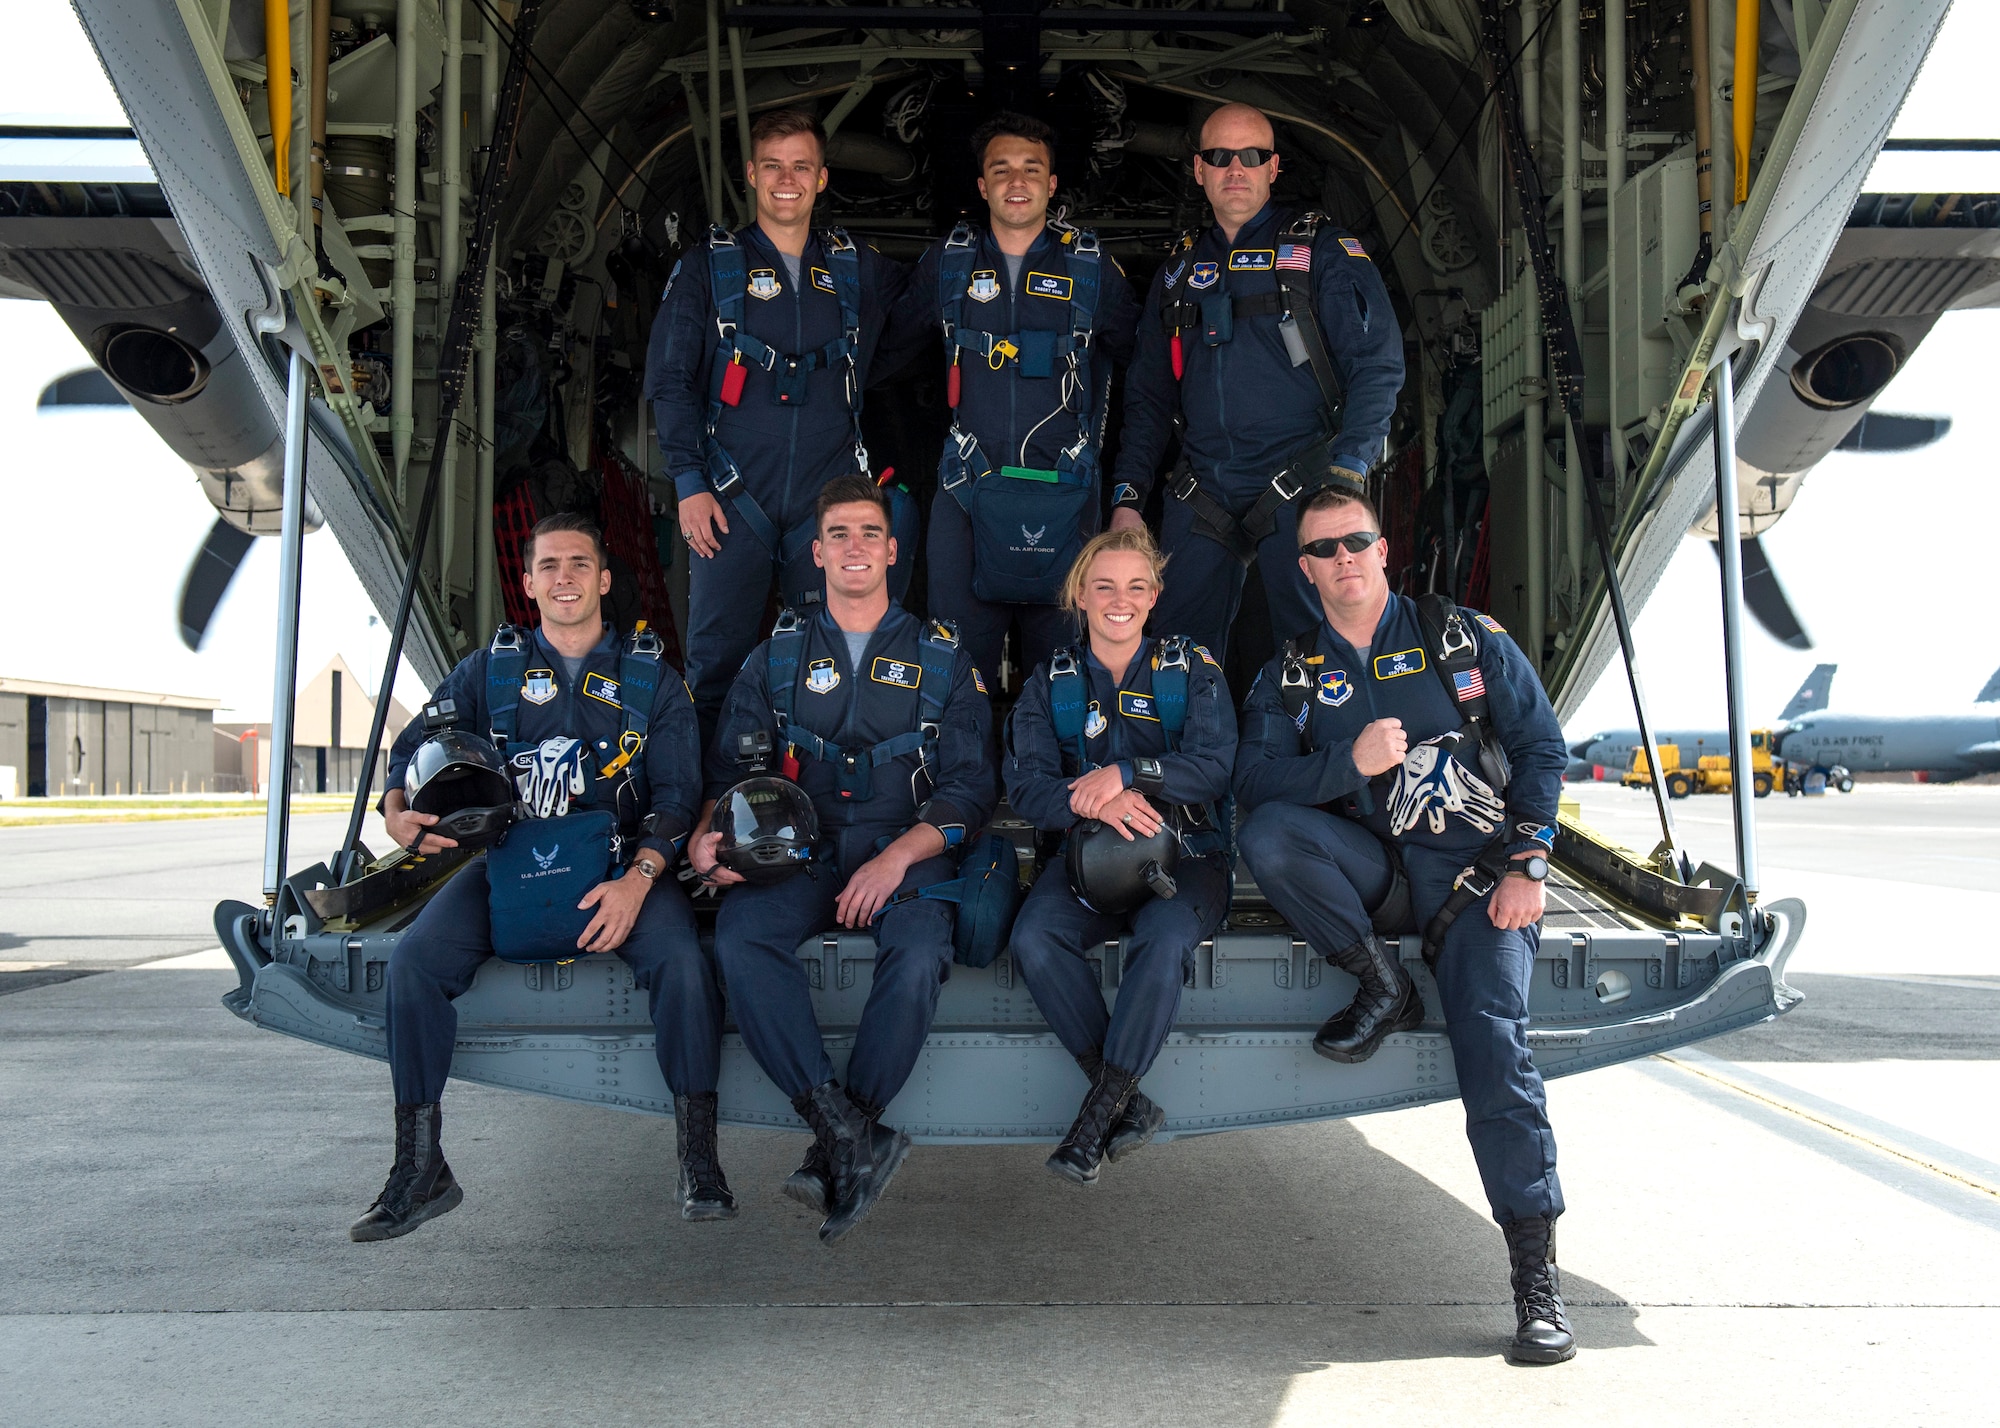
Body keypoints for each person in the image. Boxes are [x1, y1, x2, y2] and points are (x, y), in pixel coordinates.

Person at [1231, 487, 1575, 1364]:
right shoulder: (1294, 673)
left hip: (1479, 880)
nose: (1343, 559)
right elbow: (1256, 784)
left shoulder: (1462, 638)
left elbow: (1540, 747)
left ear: (1383, 550)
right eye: (1323, 550)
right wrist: (1346, 763)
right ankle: (1377, 983)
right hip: (1380, 880)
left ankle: (1535, 1282)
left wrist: (1529, 861)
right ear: (1303, 570)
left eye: (1357, 542)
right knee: (1271, 835)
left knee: (1495, 1045)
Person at [355, 512, 726, 1242]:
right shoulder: (489, 671)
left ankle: (700, 1160)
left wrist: (639, 880)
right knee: (414, 967)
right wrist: (396, 809)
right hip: (513, 863)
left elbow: (680, 799)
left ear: (605, 579)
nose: (565, 579)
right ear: (527, 582)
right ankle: (419, 1167)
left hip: (621, 863)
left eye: (580, 565)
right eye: (549, 566)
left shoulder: (651, 680)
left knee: (683, 967)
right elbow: (414, 746)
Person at [687, 475, 997, 1244]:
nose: (854, 547)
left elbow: (969, 790)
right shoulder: (777, 657)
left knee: (921, 951)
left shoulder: (941, 658)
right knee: (739, 937)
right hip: (803, 848)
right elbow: (731, 773)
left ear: (893, 550)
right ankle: (840, 1129)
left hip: (905, 846)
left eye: (869, 533)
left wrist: (896, 861)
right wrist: (707, 835)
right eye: (839, 535)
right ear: (816, 552)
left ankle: (850, 1129)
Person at [645, 108, 911, 746]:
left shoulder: (855, 271)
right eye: (773, 166)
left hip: (826, 508)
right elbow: (670, 379)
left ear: (821, 179)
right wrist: (687, 479)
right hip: (730, 500)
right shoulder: (711, 268)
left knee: (833, 663)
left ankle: (821, 805)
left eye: (801, 166)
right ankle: (712, 816)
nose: (786, 179)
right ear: (750, 176)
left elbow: (923, 324)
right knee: (716, 666)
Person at [1109, 102, 1405, 666]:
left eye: (1252, 156)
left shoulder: (1319, 252)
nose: (1236, 169)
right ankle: (1190, 757)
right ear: (1199, 170)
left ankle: (1326, 757)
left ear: (1275, 168)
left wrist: (1348, 473)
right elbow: (1147, 397)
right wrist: (1128, 495)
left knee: (1322, 657)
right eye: (1220, 157)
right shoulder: (1178, 272)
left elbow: (1379, 365)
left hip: (1302, 480)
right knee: (1173, 660)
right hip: (1203, 489)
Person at [1002, 528, 1236, 1185]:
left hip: (1186, 860)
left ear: (1155, 595)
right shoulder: (1050, 683)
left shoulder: (1190, 670)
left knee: (1162, 945)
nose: (1119, 599)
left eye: (1136, 586)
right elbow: (1024, 785)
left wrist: (1131, 774)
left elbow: (1216, 766)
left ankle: (1097, 1115)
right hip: (1088, 864)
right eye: (1103, 585)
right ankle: (1129, 1105)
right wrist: (1094, 803)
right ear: (1079, 593)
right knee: (1035, 938)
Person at [887, 110, 1138, 688]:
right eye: (1001, 169)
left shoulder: (1090, 267)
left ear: (1052, 185)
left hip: (1065, 493)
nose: (1016, 181)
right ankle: (962, 779)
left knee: (1065, 674)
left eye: (1031, 169)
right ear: (982, 186)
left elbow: (1147, 371)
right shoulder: (949, 264)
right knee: (952, 669)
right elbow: (880, 357)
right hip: (966, 493)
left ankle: (1052, 781)